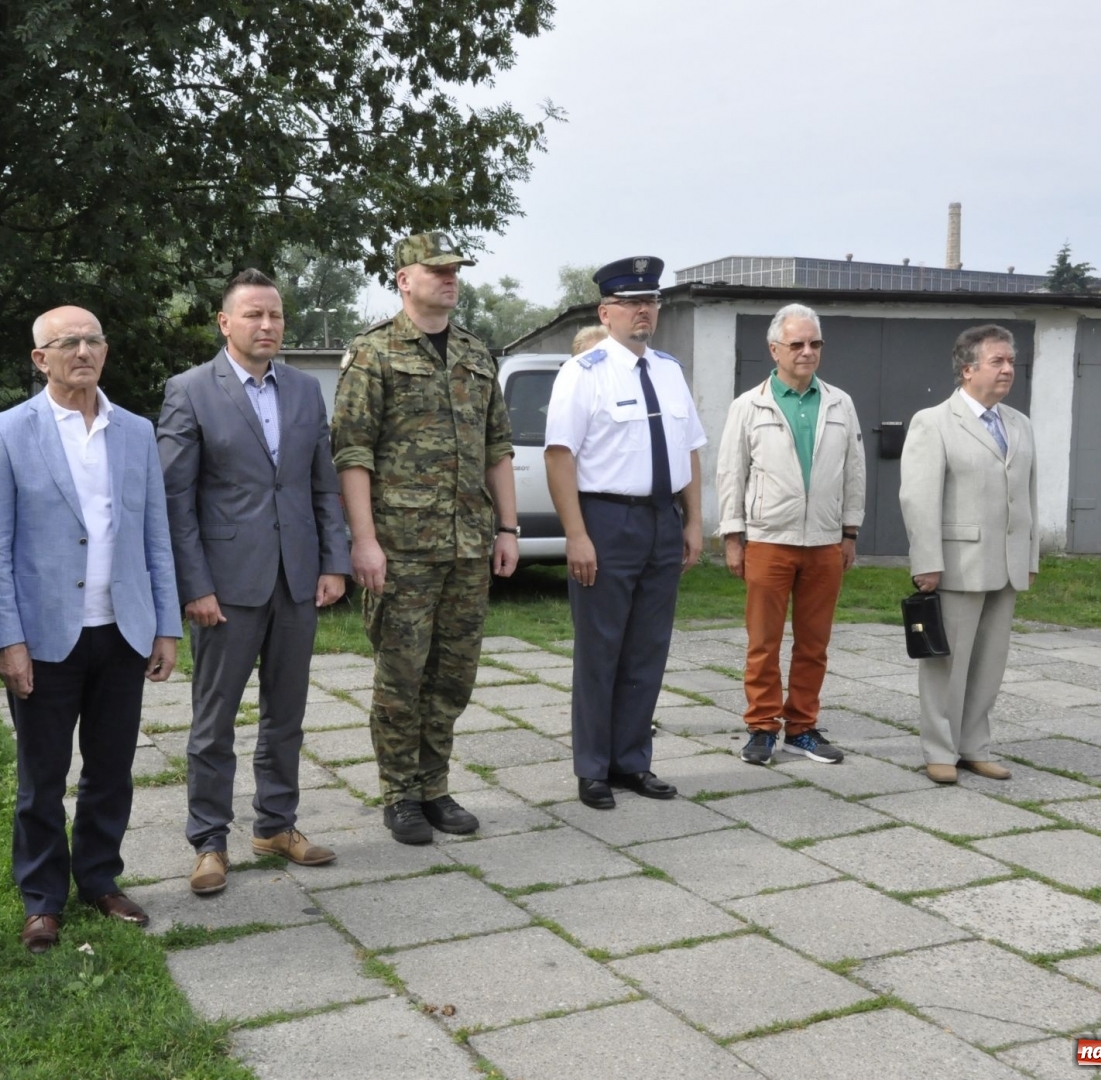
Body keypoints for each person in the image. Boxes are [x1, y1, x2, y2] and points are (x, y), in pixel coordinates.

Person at [0, 306, 181, 952]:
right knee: (42, 772)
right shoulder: (8, 431)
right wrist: (7, 638)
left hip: (122, 630)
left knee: (112, 767)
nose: (83, 351)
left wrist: (165, 625)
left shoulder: (136, 431)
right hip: (45, 635)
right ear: (41, 359)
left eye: (93, 340)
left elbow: (154, 535)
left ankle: (99, 876)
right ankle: (42, 897)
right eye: (68, 343)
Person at [157, 269, 350, 896]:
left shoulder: (304, 391)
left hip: (297, 579)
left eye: (276, 315)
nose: (267, 326)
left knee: (286, 715)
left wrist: (333, 561)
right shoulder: (189, 392)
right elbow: (174, 500)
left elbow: (323, 483)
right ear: (225, 322)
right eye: (253, 316)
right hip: (225, 587)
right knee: (213, 721)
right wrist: (194, 585)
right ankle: (209, 841)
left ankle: (276, 824)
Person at [330, 232, 519, 844]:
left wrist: (508, 528)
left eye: (455, 270)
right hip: (402, 545)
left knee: (453, 675)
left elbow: (498, 447)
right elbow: (352, 452)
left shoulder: (475, 352)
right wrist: (364, 542)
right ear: (403, 279)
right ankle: (400, 793)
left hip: (468, 543)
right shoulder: (373, 352)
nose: (450, 278)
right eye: (436, 270)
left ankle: (435, 787)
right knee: (401, 677)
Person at [543, 257, 707, 810]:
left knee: (648, 650)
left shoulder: (668, 370)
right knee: (601, 648)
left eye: (652, 301)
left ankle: (632, 761)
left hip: (663, 520)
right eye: (633, 302)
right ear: (605, 311)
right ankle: (593, 768)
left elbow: (689, 449)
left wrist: (693, 522)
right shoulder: (583, 373)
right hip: (607, 520)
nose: (644, 311)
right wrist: (577, 534)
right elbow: (560, 457)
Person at [716, 303, 866, 767]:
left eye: (815, 343)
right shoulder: (749, 405)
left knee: (814, 642)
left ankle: (802, 727)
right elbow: (730, 472)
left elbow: (854, 472)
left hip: (824, 542)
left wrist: (850, 531)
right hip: (768, 539)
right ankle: (761, 727)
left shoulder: (840, 403)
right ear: (774, 348)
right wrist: (733, 536)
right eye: (797, 344)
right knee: (763, 642)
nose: (807, 352)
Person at [899, 324, 1037, 784]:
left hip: (1007, 563)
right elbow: (919, 499)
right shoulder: (934, 422)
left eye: (1011, 362)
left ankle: (974, 745)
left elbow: (1029, 497)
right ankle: (939, 749)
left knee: (989, 662)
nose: (1008, 369)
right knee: (946, 664)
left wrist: (1030, 556)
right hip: (957, 563)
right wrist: (926, 562)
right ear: (967, 369)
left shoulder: (1018, 424)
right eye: (997, 361)